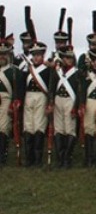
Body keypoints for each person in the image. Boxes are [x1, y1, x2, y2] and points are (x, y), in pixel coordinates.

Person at [23, 40, 56, 167]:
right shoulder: (28, 69)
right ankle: (29, 159)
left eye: (38, 55)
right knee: (28, 127)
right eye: (34, 55)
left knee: (38, 127)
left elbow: (51, 88)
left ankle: (37, 160)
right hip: (29, 97)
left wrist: (50, 103)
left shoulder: (48, 70)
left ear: (43, 55)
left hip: (41, 97)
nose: (36, 57)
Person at [51, 45, 81, 168]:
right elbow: (52, 88)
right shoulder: (57, 72)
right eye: (67, 58)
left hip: (70, 100)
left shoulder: (76, 73)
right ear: (62, 58)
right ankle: (60, 157)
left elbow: (79, 91)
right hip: (58, 100)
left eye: (71, 58)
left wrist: (76, 106)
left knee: (70, 129)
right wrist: (50, 102)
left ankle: (67, 158)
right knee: (59, 129)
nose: (69, 60)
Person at [0, 37, 23, 166]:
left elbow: (17, 90)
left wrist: (13, 104)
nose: (2, 56)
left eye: (4, 54)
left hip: (6, 100)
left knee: (3, 128)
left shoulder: (14, 71)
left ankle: (2, 157)